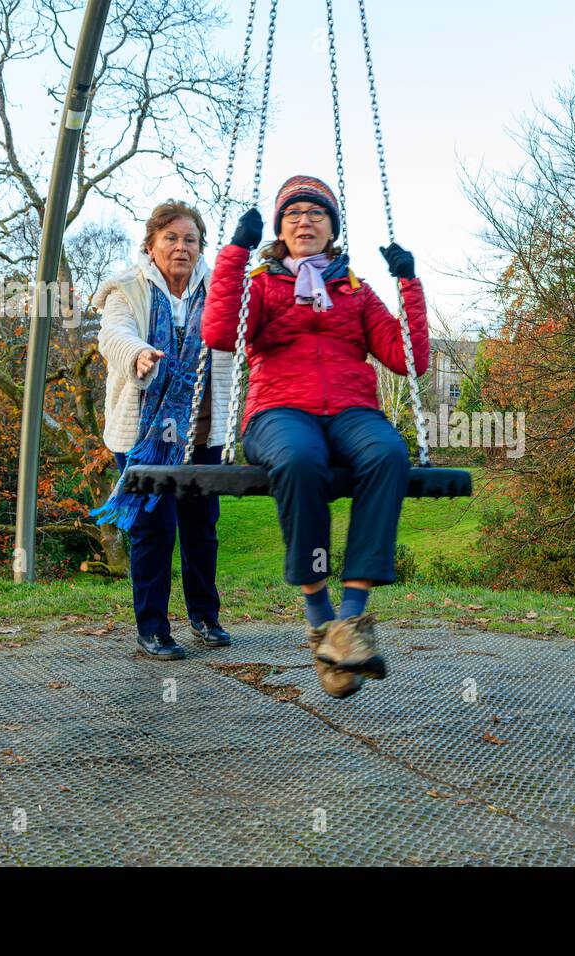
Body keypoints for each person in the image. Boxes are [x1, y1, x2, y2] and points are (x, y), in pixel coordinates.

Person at [202, 175, 427, 698]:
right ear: (280, 231)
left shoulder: (356, 289)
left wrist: (410, 284)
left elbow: (407, 360)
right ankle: (319, 614)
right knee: (301, 461)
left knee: (389, 454)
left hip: (351, 411)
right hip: (278, 411)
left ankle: (347, 622)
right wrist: (235, 250)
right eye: (294, 214)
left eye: (317, 214)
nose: (305, 220)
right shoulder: (260, 283)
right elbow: (219, 334)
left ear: (332, 230)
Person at [91, 200, 235, 660]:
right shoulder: (127, 289)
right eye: (171, 238)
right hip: (145, 435)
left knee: (201, 528)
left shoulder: (218, 291)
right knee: (154, 529)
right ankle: (152, 627)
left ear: (200, 247)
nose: (181, 247)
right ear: (151, 244)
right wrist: (137, 353)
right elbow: (112, 333)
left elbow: (242, 333)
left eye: (190, 239)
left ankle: (205, 617)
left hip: (201, 432)